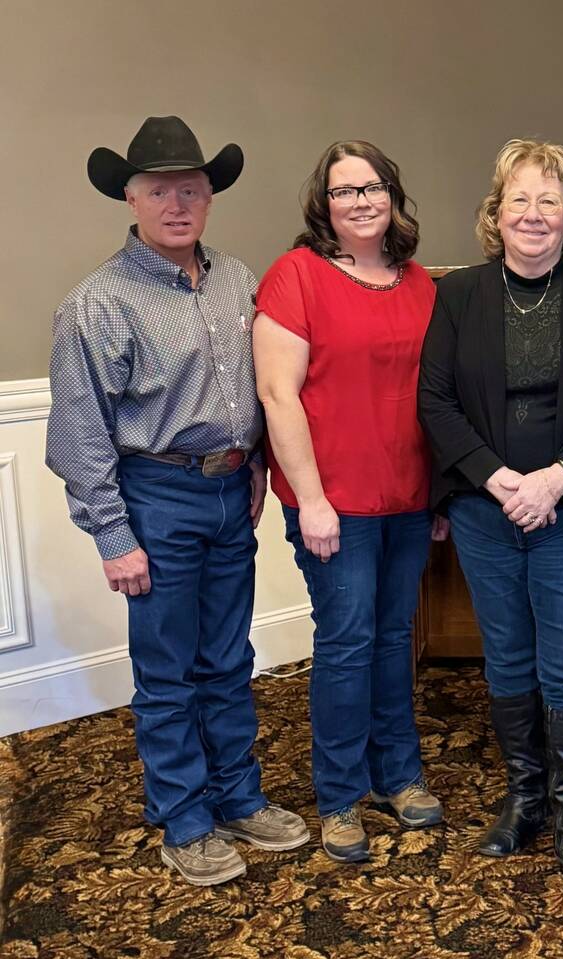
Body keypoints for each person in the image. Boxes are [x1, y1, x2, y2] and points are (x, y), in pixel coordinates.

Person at [46, 116, 309, 886]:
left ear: (210, 196)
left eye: (190, 188)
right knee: (167, 669)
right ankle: (185, 816)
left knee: (229, 656)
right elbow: (78, 431)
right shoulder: (96, 304)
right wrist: (112, 535)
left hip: (231, 492)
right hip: (155, 496)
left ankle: (238, 795)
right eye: (159, 189)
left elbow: (262, 384)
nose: (176, 202)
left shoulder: (236, 279)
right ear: (129, 197)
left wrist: (256, 458)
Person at [418, 139, 563, 896]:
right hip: (487, 512)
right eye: (520, 199)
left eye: (550, 200)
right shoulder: (459, 295)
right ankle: (526, 799)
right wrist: (497, 477)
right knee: (508, 660)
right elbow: (435, 403)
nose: (534, 214)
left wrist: (557, 476)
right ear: (496, 213)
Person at [254, 141, 444, 864]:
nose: (360, 201)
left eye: (373, 187)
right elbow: (277, 395)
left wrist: (439, 493)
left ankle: (397, 774)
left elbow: (436, 396)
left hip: (408, 496)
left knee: (395, 637)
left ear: (392, 197)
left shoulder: (420, 283)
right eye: (344, 191)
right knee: (346, 640)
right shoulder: (295, 277)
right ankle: (338, 795)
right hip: (334, 502)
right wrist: (311, 499)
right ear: (323, 204)